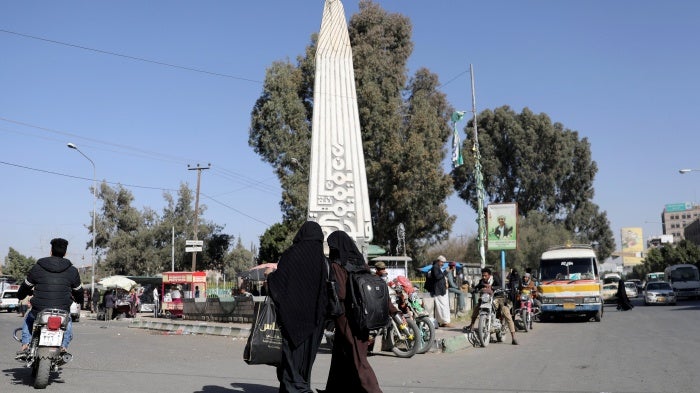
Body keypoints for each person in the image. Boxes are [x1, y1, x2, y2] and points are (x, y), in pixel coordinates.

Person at [266, 221, 328, 393]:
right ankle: (302, 386)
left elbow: (278, 286)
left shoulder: (291, 255)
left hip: (290, 320)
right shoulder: (323, 261)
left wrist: (270, 276)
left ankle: (295, 388)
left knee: (290, 360)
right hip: (314, 323)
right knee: (306, 361)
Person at [320, 230, 383, 393]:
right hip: (363, 315)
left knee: (359, 360)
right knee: (340, 357)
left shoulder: (336, 265)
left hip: (347, 317)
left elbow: (340, 294)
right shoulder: (361, 263)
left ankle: (374, 390)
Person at [16, 238, 83, 356]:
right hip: (62, 311)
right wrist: (79, 300)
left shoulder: (37, 267)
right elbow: (78, 291)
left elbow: (25, 286)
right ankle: (63, 346)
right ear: (65, 253)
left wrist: (20, 295)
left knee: (28, 318)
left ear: (51, 251)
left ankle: (25, 344)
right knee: (67, 322)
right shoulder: (72, 271)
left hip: (39, 311)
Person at [463, 267, 518, 345]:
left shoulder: (495, 279)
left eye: (485, 275)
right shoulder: (482, 281)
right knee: (477, 307)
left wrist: (492, 287)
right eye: (483, 275)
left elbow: (500, 286)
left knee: (506, 312)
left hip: (498, 298)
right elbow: (477, 287)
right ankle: (471, 325)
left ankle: (513, 337)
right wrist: (472, 289)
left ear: (489, 275)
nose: (484, 277)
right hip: (487, 298)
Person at [428, 256, 452, 328]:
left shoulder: (438, 267)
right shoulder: (435, 267)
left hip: (441, 289)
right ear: (438, 261)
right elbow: (437, 277)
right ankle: (445, 322)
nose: (443, 264)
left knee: (442, 306)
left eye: (444, 263)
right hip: (438, 290)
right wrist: (446, 272)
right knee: (442, 306)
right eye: (442, 262)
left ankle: (441, 322)